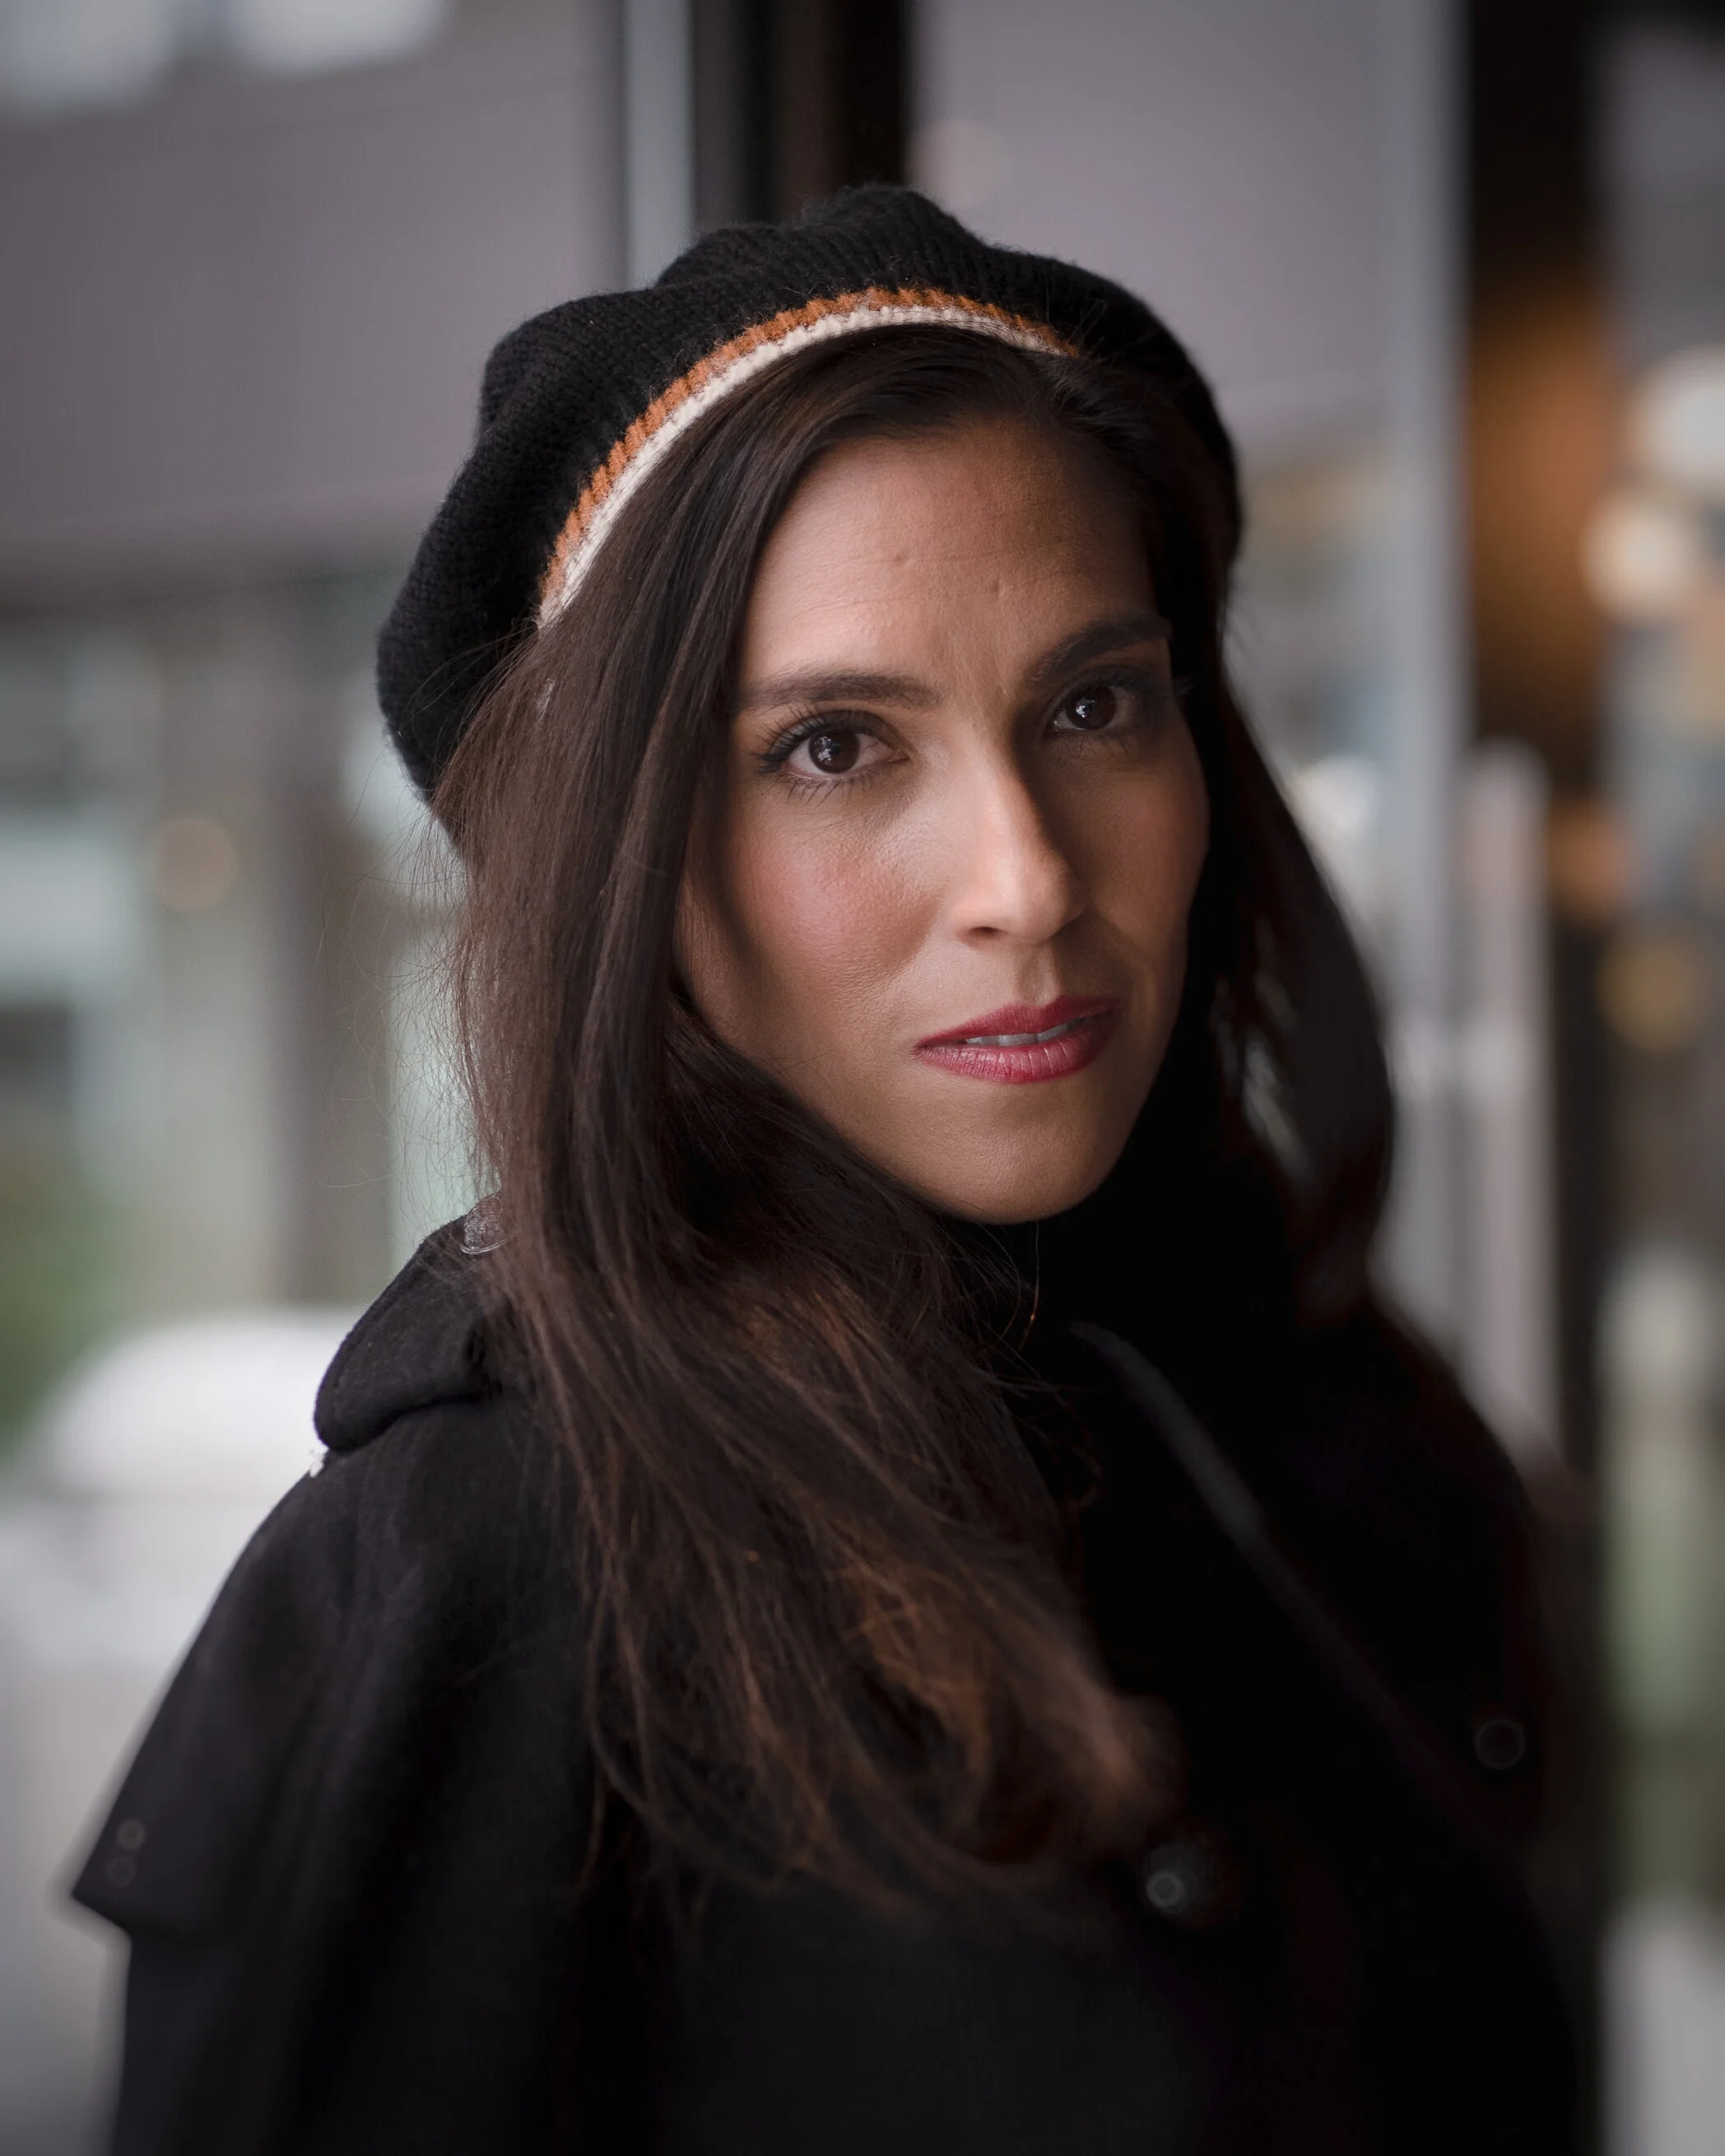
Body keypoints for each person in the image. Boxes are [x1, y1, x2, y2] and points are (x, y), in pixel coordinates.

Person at [74, 187, 1574, 2155]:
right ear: (633, 852)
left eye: (1095, 704)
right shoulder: (492, 1562)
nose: (1027, 878)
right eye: (835, 748)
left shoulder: (1292, 1395)